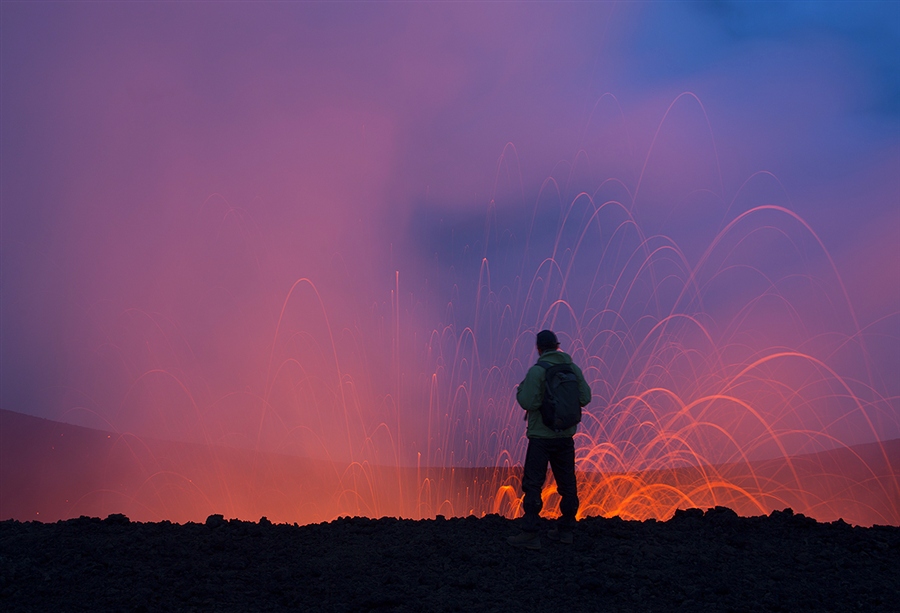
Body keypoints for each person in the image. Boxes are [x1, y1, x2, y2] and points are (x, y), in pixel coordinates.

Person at [507, 329, 591, 550]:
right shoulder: (573, 368)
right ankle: (566, 531)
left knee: (533, 484)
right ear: (557, 345)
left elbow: (529, 403)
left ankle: (531, 534)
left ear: (539, 349)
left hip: (540, 438)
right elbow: (586, 397)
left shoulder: (537, 371)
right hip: (565, 437)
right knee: (567, 484)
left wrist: (520, 390)